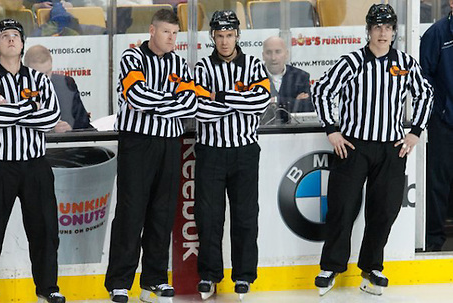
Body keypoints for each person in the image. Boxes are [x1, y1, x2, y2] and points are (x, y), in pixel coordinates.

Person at [311, 4, 433, 296]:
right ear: (368, 30)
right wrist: (332, 129)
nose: (383, 33)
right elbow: (322, 90)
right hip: (354, 146)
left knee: (385, 210)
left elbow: (425, 93)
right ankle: (330, 267)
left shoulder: (404, 63)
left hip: (391, 150)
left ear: (394, 32)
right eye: (377, 27)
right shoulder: (351, 62)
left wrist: (415, 131)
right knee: (342, 208)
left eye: (388, 28)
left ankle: (372, 267)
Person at [104, 8, 197, 303]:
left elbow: (191, 102)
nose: (171, 38)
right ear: (152, 31)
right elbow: (136, 97)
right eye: (166, 32)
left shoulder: (180, 63)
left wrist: (159, 103)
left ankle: (154, 280)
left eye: (175, 33)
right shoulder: (132, 58)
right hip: (138, 142)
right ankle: (119, 282)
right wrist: (171, 100)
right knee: (131, 212)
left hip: (170, 143)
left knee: (162, 211)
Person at [0, 19, 65, 303]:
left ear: (23, 43)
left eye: (16, 35)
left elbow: (50, 118)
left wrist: (10, 107)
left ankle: (47, 288)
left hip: (35, 165)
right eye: (5, 36)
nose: (11, 39)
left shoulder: (39, 79)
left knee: (46, 230)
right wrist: (30, 108)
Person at [193, 10, 271, 301]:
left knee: (246, 216)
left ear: (238, 35)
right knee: (209, 217)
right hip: (211, 151)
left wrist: (221, 96)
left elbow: (261, 102)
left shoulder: (253, 65)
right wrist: (241, 100)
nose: (224, 42)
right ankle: (209, 275)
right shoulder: (201, 68)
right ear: (212, 36)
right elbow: (200, 109)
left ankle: (243, 275)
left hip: (245, 151)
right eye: (219, 36)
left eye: (229, 35)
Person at [420, 0, 453, 252]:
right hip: (444, 123)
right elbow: (425, 78)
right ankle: (433, 239)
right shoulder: (436, 34)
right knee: (438, 183)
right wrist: (437, 112)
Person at [24, 44, 93, 132]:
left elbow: (83, 122)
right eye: (39, 74)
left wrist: (70, 129)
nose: (45, 79)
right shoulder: (15, 89)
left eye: (48, 72)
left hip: (64, 144)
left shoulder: (66, 84)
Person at [261, 36, 313, 125]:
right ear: (263, 56)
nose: (273, 57)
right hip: (262, 132)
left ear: (286, 54)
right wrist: (295, 101)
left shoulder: (301, 76)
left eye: (278, 52)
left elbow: (308, 108)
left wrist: (275, 100)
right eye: (269, 52)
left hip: (293, 131)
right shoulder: (252, 76)